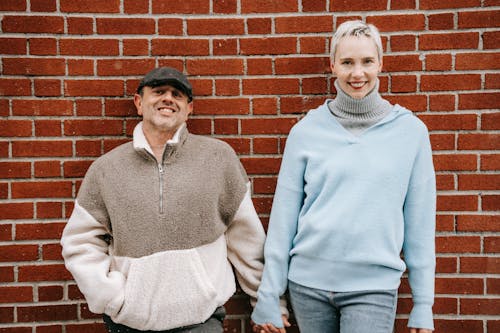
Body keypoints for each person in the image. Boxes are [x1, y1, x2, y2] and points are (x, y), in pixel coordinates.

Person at [60, 67, 287, 333]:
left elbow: (246, 240)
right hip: (128, 323)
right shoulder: (106, 169)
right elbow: (79, 243)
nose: (168, 98)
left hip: (201, 321)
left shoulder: (218, 158)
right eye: (158, 92)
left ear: (189, 108)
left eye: (177, 94)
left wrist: (268, 304)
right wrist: (112, 297)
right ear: (139, 102)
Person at [251, 20, 436, 333]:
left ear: (380, 63)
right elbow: (283, 222)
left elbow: (420, 225)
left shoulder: (411, 133)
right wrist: (269, 295)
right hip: (307, 285)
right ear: (332, 65)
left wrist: (423, 303)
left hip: (373, 287)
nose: (357, 74)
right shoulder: (305, 132)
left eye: (366, 61)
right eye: (347, 62)